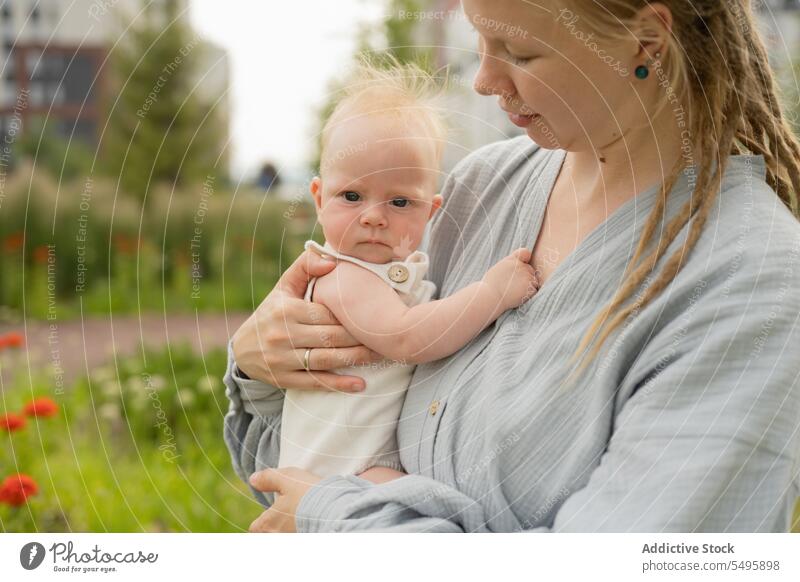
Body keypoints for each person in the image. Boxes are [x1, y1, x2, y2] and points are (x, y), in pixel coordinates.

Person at [224, 0, 800, 532]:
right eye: (479, 40)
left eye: (519, 52)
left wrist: (336, 522)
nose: (483, 81)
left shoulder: (751, 285)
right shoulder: (483, 188)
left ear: (645, 40)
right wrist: (266, 370)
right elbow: (291, 481)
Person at [277, 59, 538, 480]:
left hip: (365, 461)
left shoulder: (390, 268)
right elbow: (407, 336)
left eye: (400, 202)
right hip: (334, 471)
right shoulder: (339, 276)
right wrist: (492, 293)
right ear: (318, 197)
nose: (374, 217)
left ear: (430, 211)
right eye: (352, 196)